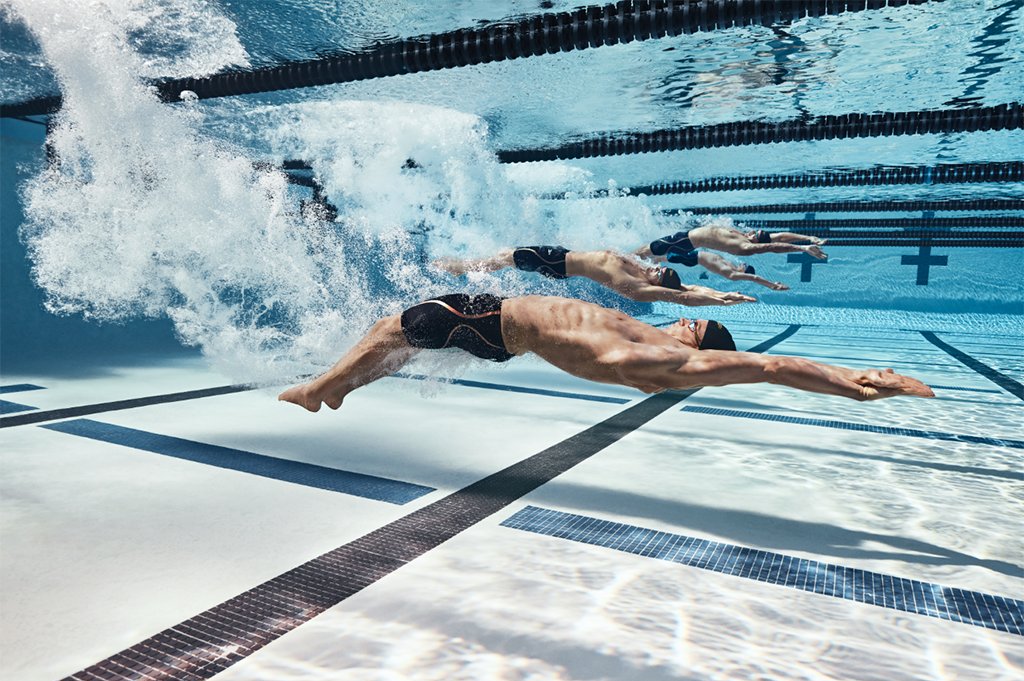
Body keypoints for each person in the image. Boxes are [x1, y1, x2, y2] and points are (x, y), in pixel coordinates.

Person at [278, 293, 934, 412]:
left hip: (498, 324)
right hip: (497, 323)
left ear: (696, 342)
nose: (682, 319)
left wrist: (849, 380)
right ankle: (340, 384)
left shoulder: (675, 362)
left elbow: (767, 367)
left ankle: (324, 388)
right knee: (392, 330)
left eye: (693, 321)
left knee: (396, 326)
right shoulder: (653, 339)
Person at [431, 246, 756, 307]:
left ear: (656, 285)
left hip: (558, 264)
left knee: (504, 257)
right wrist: (718, 292)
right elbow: (687, 286)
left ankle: (463, 269)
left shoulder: (642, 288)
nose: (657, 267)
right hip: (561, 253)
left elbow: (683, 295)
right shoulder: (643, 270)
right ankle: (467, 267)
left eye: (661, 273)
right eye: (663, 267)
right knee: (504, 256)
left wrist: (724, 299)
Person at [632, 225, 827, 262]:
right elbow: (780, 237)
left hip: (684, 241)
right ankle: (629, 259)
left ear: (757, 241)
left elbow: (774, 246)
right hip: (685, 235)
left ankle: (625, 259)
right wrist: (808, 238)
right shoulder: (748, 237)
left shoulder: (746, 247)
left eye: (755, 234)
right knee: (648, 253)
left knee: (647, 251)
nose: (750, 232)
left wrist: (802, 249)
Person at [645, 248, 790, 291]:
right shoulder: (732, 266)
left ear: (745, 272)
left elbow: (755, 278)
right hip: (693, 256)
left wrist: (772, 285)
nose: (743, 264)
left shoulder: (732, 273)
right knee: (663, 254)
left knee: (661, 257)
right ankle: (647, 259)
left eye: (745, 266)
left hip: (692, 258)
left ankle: (645, 261)